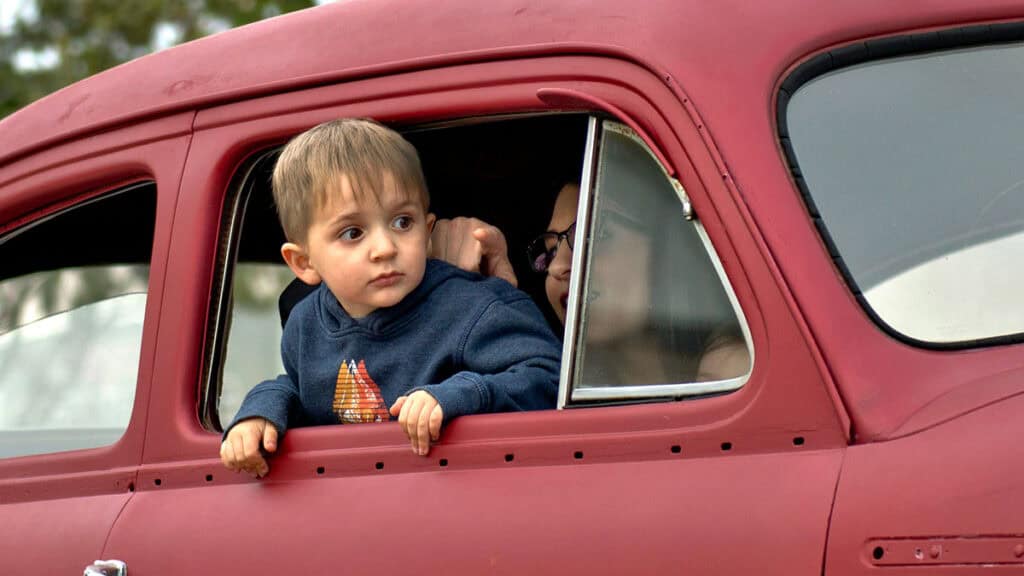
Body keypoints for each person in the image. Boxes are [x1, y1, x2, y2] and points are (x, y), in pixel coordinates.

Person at [220, 119, 561, 477]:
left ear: (427, 233)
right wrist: (260, 413)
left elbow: (548, 376)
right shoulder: (305, 326)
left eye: (402, 222)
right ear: (303, 263)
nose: (385, 248)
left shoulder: (474, 308)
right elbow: (303, 388)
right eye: (353, 232)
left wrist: (459, 395)